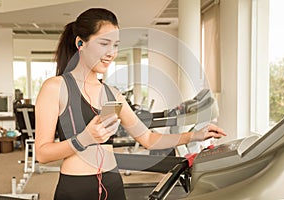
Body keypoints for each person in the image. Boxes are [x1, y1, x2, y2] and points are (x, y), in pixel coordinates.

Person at [35, 8, 226, 200]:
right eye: (104, 43)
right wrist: (84, 138)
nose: (111, 53)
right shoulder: (55, 87)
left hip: (113, 185)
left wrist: (195, 135)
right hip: (76, 187)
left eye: (115, 45)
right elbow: (42, 154)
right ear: (80, 43)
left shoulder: (113, 94)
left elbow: (148, 138)